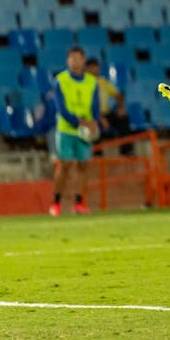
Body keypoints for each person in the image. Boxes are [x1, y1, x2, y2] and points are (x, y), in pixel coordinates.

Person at [49, 47, 100, 217]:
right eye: (71, 58)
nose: (74, 61)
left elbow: (95, 106)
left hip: (84, 131)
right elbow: (61, 108)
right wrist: (79, 122)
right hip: (66, 129)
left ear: (83, 60)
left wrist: (93, 122)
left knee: (83, 165)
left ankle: (78, 203)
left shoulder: (91, 82)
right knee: (64, 165)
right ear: (67, 61)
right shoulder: (61, 80)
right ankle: (56, 202)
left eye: (77, 58)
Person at [85, 58, 130, 146]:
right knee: (93, 125)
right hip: (91, 115)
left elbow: (118, 95)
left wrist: (121, 108)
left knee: (123, 118)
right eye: (91, 67)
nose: (94, 70)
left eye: (96, 67)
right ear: (86, 69)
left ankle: (127, 152)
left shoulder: (103, 82)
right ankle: (97, 155)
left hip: (106, 113)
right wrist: (100, 118)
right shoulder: (83, 83)